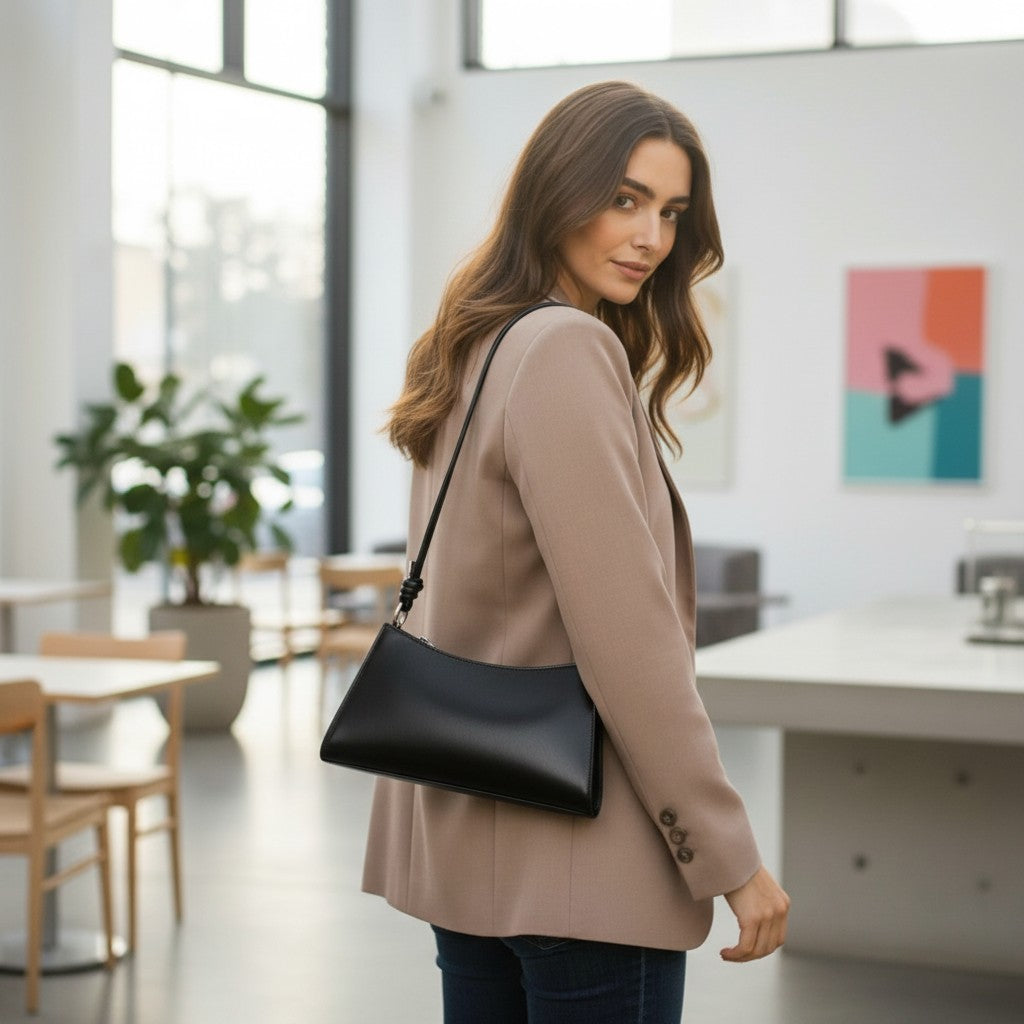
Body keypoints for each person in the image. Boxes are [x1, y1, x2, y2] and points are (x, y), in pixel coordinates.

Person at [366, 80, 790, 1023]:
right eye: (625, 199)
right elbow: (628, 641)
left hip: (470, 837)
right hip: (581, 860)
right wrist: (731, 859)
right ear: (559, 191)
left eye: (671, 213)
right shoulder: (564, 350)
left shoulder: (471, 343)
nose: (650, 237)